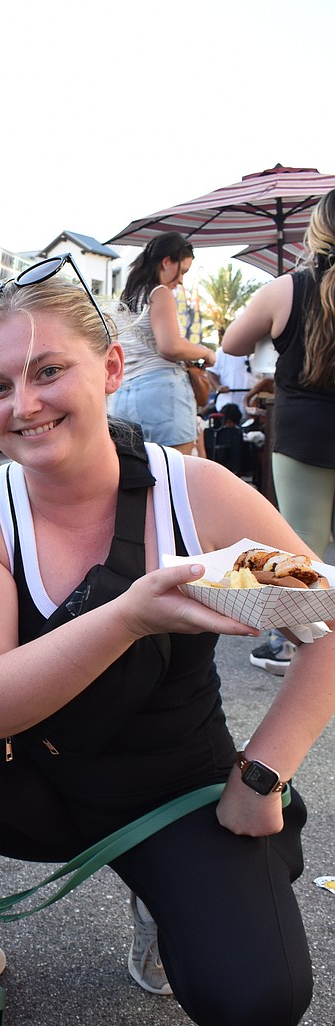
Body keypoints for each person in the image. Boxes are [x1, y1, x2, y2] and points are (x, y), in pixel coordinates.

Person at [0, 259, 335, 1026]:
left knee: (258, 1001)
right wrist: (128, 617)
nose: (24, 404)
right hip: (37, 781)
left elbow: (330, 626)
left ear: (109, 368)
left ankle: (165, 895)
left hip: (180, 794)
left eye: (48, 371)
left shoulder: (196, 492)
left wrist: (263, 773)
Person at [223, 190, 335, 676]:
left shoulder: (288, 287)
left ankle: (288, 645)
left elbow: (231, 342)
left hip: (302, 429)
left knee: (301, 541)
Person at [109, 232, 215, 454]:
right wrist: (205, 352)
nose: (181, 280)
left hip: (123, 396)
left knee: (135, 474)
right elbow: (170, 346)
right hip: (161, 391)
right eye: (182, 271)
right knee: (176, 472)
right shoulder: (160, 293)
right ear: (167, 261)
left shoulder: (125, 299)